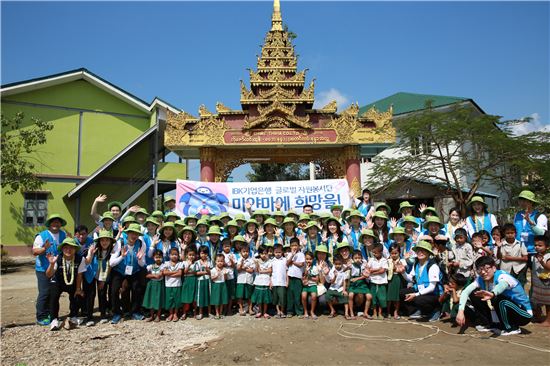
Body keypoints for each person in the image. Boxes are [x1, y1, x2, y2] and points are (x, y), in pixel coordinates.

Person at [456, 256, 533, 336]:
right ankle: (489, 323)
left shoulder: (502, 276)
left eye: (486, 269)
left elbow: (502, 285)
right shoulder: (480, 279)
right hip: (503, 308)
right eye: (480, 270)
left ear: (494, 268)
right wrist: (460, 312)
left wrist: (493, 293)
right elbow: (465, 292)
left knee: (499, 299)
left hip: (523, 313)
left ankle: (511, 328)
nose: (483, 272)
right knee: (474, 294)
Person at [32, 213, 68, 325]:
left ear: (60, 224)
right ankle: (41, 316)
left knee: (53, 292)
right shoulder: (41, 236)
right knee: (44, 292)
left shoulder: (63, 234)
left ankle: (49, 313)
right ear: (49, 224)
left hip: (57, 269)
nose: (55, 224)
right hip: (43, 268)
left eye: (58, 222)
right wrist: (44, 248)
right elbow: (34, 252)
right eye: (53, 222)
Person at [109, 223, 147, 324]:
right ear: (128, 233)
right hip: (119, 271)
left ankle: (135, 312)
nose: (134, 236)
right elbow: (111, 263)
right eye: (132, 233)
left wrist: (139, 259)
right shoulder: (120, 243)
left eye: (136, 234)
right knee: (114, 290)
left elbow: (142, 264)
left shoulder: (141, 244)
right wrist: (121, 256)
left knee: (137, 289)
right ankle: (117, 313)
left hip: (134, 270)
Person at [78, 230, 115, 326]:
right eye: (102, 240)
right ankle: (89, 317)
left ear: (110, 241)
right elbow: (86, 262)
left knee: (102, 294)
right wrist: (90, 253)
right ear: (99, 241)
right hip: (90, 274)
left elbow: (110, 266)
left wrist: (103, 279)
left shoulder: (112, 251)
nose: (105, 242)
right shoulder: (93, 248)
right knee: (90, 295)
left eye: (107, 240)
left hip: (103, 275)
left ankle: (103, 315)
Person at [400, 240, 443, 322]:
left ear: (428, 253)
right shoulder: (417, 263)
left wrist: (416, 295)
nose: (420, 252)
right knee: (402, 293)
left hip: (433, 294)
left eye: (423, 250)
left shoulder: (433, 266)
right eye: (418, 250)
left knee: (417, 299)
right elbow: (411, 279)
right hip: (420, 289)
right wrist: (403, 272)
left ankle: (435, 311)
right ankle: (418, 311)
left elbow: (432, 287)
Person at [46, 238, 82, 331]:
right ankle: (54, 319)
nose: (68, 250)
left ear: (75, 249)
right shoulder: (57, 258)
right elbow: (49, 275)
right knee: (53, 296)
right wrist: (51, 264)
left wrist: (78, 288)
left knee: (76, 295)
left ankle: (73, 316)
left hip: (72, 281)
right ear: (62, 249)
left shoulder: (80, 258)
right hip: (57, 281)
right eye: (66, 248)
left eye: (71, 248)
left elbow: (79, 274)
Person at [514, 190, 548, 255]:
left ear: (531, 202)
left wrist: (530, 222)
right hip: (518, 252)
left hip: (534, 252)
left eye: (524, 200)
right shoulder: (517, 215)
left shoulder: (540, 216)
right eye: (520, 200)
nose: (521, 202)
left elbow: (541, 234)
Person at [347, 250, 372, 320]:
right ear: (352, 259)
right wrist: (347, 266)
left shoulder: (364, 265)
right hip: (353, 283)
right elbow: (344, 270)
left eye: (359, 257)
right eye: (355, 258)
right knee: (350, 295)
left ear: (361, 258)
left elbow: (367, 275)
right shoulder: (351, 265)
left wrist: (366, 266)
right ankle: (351, 313)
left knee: (369, 296)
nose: (357, 259)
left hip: (362, 283)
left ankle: (365, 312)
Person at [531, 235, 550, 326]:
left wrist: (542, 262)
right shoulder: (535, 256)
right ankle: (538, 317)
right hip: (538, 282)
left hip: (547, 283)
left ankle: (548, 321)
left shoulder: (548, 256)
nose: (537, 247)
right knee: (537, 300)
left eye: (540, 245)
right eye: (535, 245)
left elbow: (549, 267)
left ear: (547, 247)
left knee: (548, 303)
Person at [367, 244, 388, 319]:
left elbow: (383, 270)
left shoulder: (384, 260)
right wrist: (377, 269)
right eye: (373, 252)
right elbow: (368, 268)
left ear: (381, 252)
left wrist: (373, 271)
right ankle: (374, 313)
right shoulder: (371, 260)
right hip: (373, 282)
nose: (374, 254)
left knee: (381, 298)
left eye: (376, 252)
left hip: (382, 282)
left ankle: (380, 313)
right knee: (374, 298)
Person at [143, 250, 164, 322]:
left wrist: (152, 276)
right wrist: (154, 275)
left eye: (160, 257)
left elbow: (160, 275)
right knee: (151, 300)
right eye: (156, 257)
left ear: (162, 257)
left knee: (158, 300)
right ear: (153, 257)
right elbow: (147, 275)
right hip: (151, 285)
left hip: (159, 285)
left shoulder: (163, 266)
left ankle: (158, 315)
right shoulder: (150, 266)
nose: (158, 259)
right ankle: (151, 316)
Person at [286, 237, 305, 317]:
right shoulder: (289, 254)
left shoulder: (301, 254)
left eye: (296, 245)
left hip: (298, 278)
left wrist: (293, 262)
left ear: (299, 246)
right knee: (290, 296)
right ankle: (290, 312)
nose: (294, 247)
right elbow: (287, 263)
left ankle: (299, 312)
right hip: (290, 278)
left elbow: (301, 264)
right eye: (292, 245)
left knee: (298, 296)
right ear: (290, 246)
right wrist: (292, 256)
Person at [252, 245, 273, 319]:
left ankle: (265, 312)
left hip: (266, 281)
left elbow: (270, 270)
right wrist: (257, 264)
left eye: (265, 253)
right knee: (259, 299)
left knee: (265, 299)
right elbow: (257, 270)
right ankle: (260, 311)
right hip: (258, 282)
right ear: (259, 254)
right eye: (262, 253)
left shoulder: (270, 261)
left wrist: (262, 271)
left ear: (268, 253)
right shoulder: (257, 261)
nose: (263, 255)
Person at [162, 247, 183, 322]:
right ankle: (170, 314)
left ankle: (175, 314)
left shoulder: (180, 263)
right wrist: (175, 273)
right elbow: (164, 273)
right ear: (169, 255)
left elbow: (180, 273)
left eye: (176, 254)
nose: (174, 256)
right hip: (168, 285)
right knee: (169, 300)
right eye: (172, 254)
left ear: (178, 255)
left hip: (177, 284)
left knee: (176, 300)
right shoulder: (166, 263)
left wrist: (169, 274)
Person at [387, 244, 406, 319]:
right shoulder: (388, 261)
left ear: (399, 253)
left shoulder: (402, 261)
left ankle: (396, 312)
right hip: (390, 280)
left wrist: (397, 267)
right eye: (392, 253)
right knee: (389, 297)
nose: (394, 255)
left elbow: (402, 270)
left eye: (396, 253)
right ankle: (388, 312)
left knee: (397, 297)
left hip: (398, 279)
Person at [236, 244, 255, 316]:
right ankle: (241, 309)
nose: (245, 253)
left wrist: (243, 268)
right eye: (243, 251)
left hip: (249, 280)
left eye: (247, 251)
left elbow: (251, 271)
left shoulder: (251, 260)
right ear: (240, 252)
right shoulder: (239, 259)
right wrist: (243, 266)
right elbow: (238, 269)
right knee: (240, 295)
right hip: (241, 280)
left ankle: (250, 309)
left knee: (249, 296)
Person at [194, 246, 212, 320]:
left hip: (208, 281)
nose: (203, 255)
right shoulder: (197, 262)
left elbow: (211, 272)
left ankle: (209, 312)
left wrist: (207, 270)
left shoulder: (209, 262)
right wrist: (205, 271)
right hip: (200, 282)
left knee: (209, 296)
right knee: (200, 297)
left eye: (205, 253)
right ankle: (200, 313)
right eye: (202, 253)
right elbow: (196, 273)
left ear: (207, 254)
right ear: (199, 254)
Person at [300, 251, 319, 320]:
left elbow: (317, 279)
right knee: (303, 296)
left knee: (314, 296)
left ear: (313, 259)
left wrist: (310, 276)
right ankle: (305, 311)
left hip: (313, 285)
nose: (308, 261)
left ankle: (312, 311)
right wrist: (306, 272)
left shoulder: (315, 268)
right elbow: (303, 278)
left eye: (310, 259)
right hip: (305, 286)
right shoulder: (303, 267)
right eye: (307, 259)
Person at [180, 247, 198, 320]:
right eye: (190, 255)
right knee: (186, 297)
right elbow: (184, 272)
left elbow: (196, 272)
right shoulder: (184, 262)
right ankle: (184, 313)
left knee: (194, 298)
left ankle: (195, 312)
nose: (191, 256)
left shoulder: (196, 263)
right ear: (187, 255)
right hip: (186, 280)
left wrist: (192, 271)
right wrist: (189, 265)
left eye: (193, 255)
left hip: (194, 280)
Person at [210, 254, 229, 319]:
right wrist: (217, 275)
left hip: (223, 285)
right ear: (215, 261)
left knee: (222, 299)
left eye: (221, 261)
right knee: (216, 300)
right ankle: (217, 313)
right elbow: (212, 278)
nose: (220, 263)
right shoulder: (213, 269)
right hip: (216, 285)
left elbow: (226, 279)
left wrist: (225, 274)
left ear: (223, 262)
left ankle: (220, 313)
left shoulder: (225, 269)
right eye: (218, 261)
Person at [271, 244, 288, 318]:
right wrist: (270, 282)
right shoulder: (272, 261)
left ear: (282, 252)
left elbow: (287, 272)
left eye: (279, 252)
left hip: (282, 283)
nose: (278, 254)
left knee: (282, 298)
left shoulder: (285, 260)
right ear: (273, 253)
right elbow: (271, 273)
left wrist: (287, 281)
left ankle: (282, 311)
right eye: (276, 252)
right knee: (276, 298)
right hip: (274, 282)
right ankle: (278, 311)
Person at [221, 238, 237, 314]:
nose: (227, 248)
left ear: (231, 246)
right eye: (225, 246)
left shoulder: (232, 255)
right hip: (222, 277)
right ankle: (224, 308)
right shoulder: (221, 254)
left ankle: (229, 309)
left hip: (231, 277)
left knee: (230, 294)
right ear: (222, 247)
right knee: (224, 293)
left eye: (228, 246)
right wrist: (227, 264)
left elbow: (234, 266)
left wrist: (231, 261)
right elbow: (219, 264)